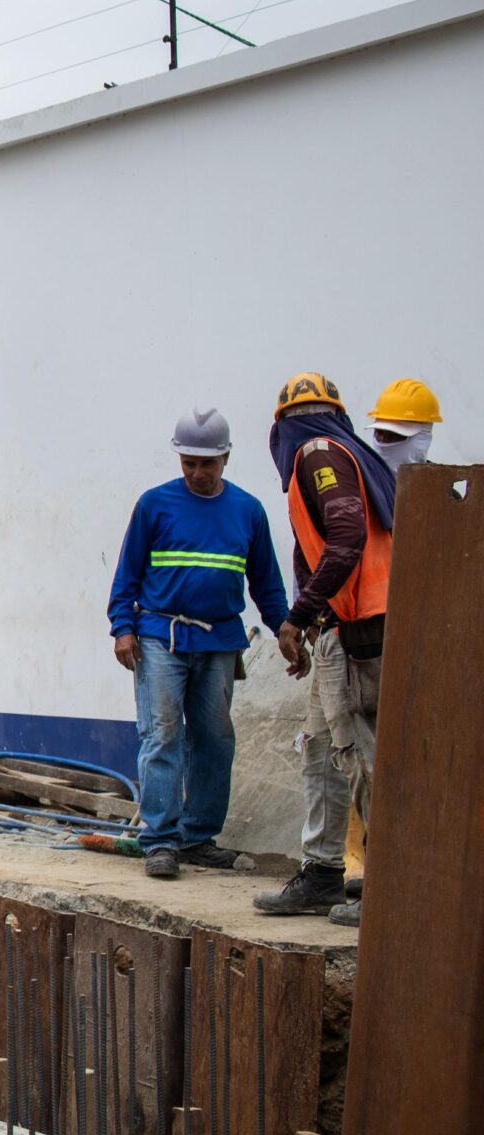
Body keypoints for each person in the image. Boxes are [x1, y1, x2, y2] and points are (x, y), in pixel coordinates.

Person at [106, 409, 288, 880]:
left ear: (226, 458)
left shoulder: (248, 511)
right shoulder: (154, 505)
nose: (197, 472)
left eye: (207, 464)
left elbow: (266, 583)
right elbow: (127, 574)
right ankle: (160, 840)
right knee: (162, 735)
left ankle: (197, 837)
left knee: (214, 737)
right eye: (188, 463)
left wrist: (285, 628)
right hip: (160, 636)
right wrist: (122, 627)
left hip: (219, 638)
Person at [252, 375, 393, 924]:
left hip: (358, 632)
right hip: (343, 627)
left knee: (359, 755)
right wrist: (312, 621)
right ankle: (322, 873)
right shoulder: (352, 454)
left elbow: (347, 536)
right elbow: (316, 550)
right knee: (318, 747)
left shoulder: (316, 453)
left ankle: (392, 884)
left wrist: (298, 615)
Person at [365, 377, 442, 474]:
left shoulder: (440, 482)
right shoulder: (356, 479)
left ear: (423, 439)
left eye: (394, 434)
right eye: (379, 432)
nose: (382, 441)